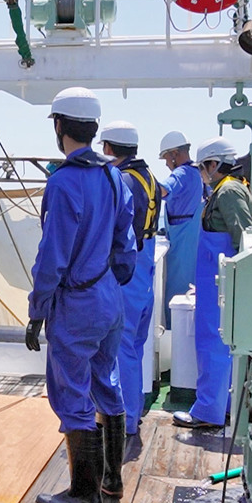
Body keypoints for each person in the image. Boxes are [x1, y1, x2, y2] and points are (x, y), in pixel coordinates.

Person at [25, 87, 137, 503]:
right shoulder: (115, 175)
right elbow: (124, 241)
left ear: (59, 127)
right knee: (105, 381)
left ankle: (83, 494)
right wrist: (114, 279)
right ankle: (112, 479)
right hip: (110, 297)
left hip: (78, 304)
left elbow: (52, 257)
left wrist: (37, 311)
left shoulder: (63, 181)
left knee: (71, 392)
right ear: (92, 129)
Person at [172, 136, 252, 429]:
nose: (202, 173)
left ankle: (208, 412)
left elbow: (245, 238)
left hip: (220, 285)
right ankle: (224, 407)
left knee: (213, 347)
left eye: (203, 167)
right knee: (220, 347)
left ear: (215, 163)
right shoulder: (225, 190)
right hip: (216, 284)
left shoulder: (229, 192)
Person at [99, 121, 161, 443]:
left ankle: (123, 419)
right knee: (135, 344)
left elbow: (118, 229)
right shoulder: (149, 177)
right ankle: (133, 413)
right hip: (147, 264)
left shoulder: (123, 179)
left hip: (131, 266)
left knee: (121, 345)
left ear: (109, 148)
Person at [158, 131, 204, 328]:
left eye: (166, 158)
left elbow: (162, 190)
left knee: (176, 294)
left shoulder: (182, 173)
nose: (167, 164)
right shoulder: (198, 174)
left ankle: (172, 337)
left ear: (175, 154)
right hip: (193, 240)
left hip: (181, 243)